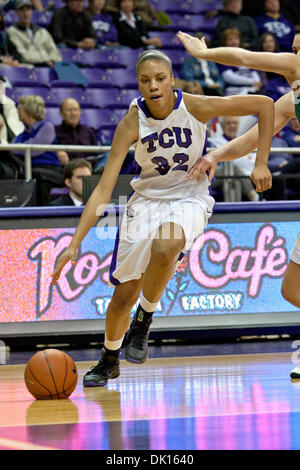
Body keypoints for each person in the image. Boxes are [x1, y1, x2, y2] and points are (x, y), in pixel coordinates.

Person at [51, 49, 274, 387]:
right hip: (145, 202)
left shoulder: (195, 106)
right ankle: (109, 358)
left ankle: (144, 321)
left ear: (172, 79)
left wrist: (261, 162)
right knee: (122, 297)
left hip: (189, 197)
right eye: (145, 80)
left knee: (166, 245)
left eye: (159, 78)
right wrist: (74, 243)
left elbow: (266, 105)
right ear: (138, 84)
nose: (153, 86)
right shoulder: (131, 122)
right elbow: (102, 189)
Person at [176, 32, 300, 368]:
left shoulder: (295, 69)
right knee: (291, 289)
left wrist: (204, 53)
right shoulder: (291, 101)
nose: (295, 56)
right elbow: (251, 139)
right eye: (294, 49)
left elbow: (246, 57)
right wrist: (215, 155)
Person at [11, 94, 63, 205]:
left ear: (28, 109)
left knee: (35, 177)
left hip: (50, 170)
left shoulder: (47, 127)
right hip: (30, 169)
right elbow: (11, 149)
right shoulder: (23, 133)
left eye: (19, 108)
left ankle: (43, 215)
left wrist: (18, 148)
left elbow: (34, 150)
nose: (17, 111)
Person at [208, 115, 259, 201]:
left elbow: (252, 161)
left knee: (236, 181)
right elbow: (221, 165)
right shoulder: (214, 143)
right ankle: (254, 196)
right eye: (228, 123)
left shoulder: (244, 142)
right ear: (222, 126)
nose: (232, 126)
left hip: (243, 177)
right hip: (219, 177)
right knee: (231, 168)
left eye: (234, 123)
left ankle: (235, 212)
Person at [7, 0, 62, 67]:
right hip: (28, 67)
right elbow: (22, 55)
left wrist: (52, 60)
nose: (25, 13)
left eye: (28, 10)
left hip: (49, 64)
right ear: (17, 12)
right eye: (22, 10)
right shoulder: (12, 32)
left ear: (32, 11)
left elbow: (54, 51)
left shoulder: (42, 31)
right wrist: (44, 61)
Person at [218, 28, 263, 95]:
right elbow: (229, 77)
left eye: (236, 38)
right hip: (233, 90)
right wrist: (252, 82)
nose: (234, 41)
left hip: (251, 89)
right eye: (230, 39)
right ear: (225, 42)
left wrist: (256, 82)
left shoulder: (246, 55)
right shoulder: (223, 57)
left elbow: (254, 73)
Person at [55, 98, 98, 165]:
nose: (73, 113)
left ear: (80, 112)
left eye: (76, 110)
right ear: (61, 113)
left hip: (88, 168)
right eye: (69, 110)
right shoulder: (54, 131)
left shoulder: (88, 131)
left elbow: (96, 154)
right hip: (64, 169)